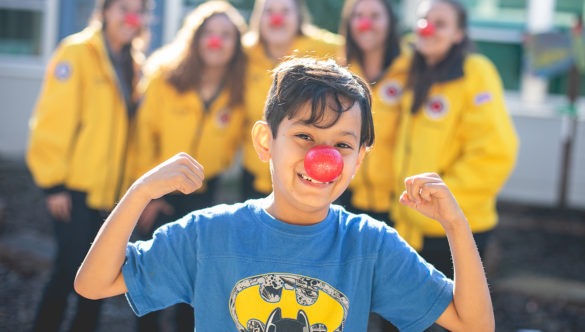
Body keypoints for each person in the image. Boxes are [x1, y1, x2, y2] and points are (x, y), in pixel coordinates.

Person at [74, 57, 494, 331]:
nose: (322, 158)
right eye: (305, 136)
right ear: (265, 142)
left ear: (359, 159)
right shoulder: (208, 235)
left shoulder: (371, 245)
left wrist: (456, 226)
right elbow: (94, 284)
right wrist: (140, 192)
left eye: (342, 146)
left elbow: (474, 326)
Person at [25, 0, 151, 331]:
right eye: (122, 8)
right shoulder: (77, 52)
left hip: (111, 196)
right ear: (105, 10)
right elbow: (52, 121)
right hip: (75, 190)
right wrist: (53, 185)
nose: (130, 17)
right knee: (67, 274)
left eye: (137, 9)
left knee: (96, 284)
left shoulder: (133, 62)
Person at [130, 2, 247, 331]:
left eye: (226, 35)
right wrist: (149, 194)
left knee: (194, 281)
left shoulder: (238, 88)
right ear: (195, 38)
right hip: (160, 192)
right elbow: (142, 137)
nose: (217, 41)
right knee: (151, 276)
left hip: (203, 192)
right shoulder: (165, 75)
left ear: (237, 43)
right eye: (209, 33)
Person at [391, 0, 519, 281]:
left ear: (458, 34)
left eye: (441, 24)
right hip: (409, 227)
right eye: (424, 20)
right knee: (403, 320)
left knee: (460, 320)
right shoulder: (413, 68)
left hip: (454, 230)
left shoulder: (475, 71)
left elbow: (494, 152)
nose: (428, 29)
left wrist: (440, 203)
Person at [337, 1, 408, 330]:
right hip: (347, 198)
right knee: (349, 299)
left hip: (400, 204)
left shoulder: (413, 69)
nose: (366, 24)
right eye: (359, 16)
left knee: (398, 304)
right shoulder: (338, 70)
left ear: (390, 22)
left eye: (375, 16)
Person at [241, 0, 344, 200]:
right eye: (269, 11)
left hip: (306, 172)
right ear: (258, 18)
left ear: (299, 16)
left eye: (285, 11)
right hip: (255, 174)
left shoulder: (325, 48)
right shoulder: (244, 52)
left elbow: (363, 47)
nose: (276, 18)